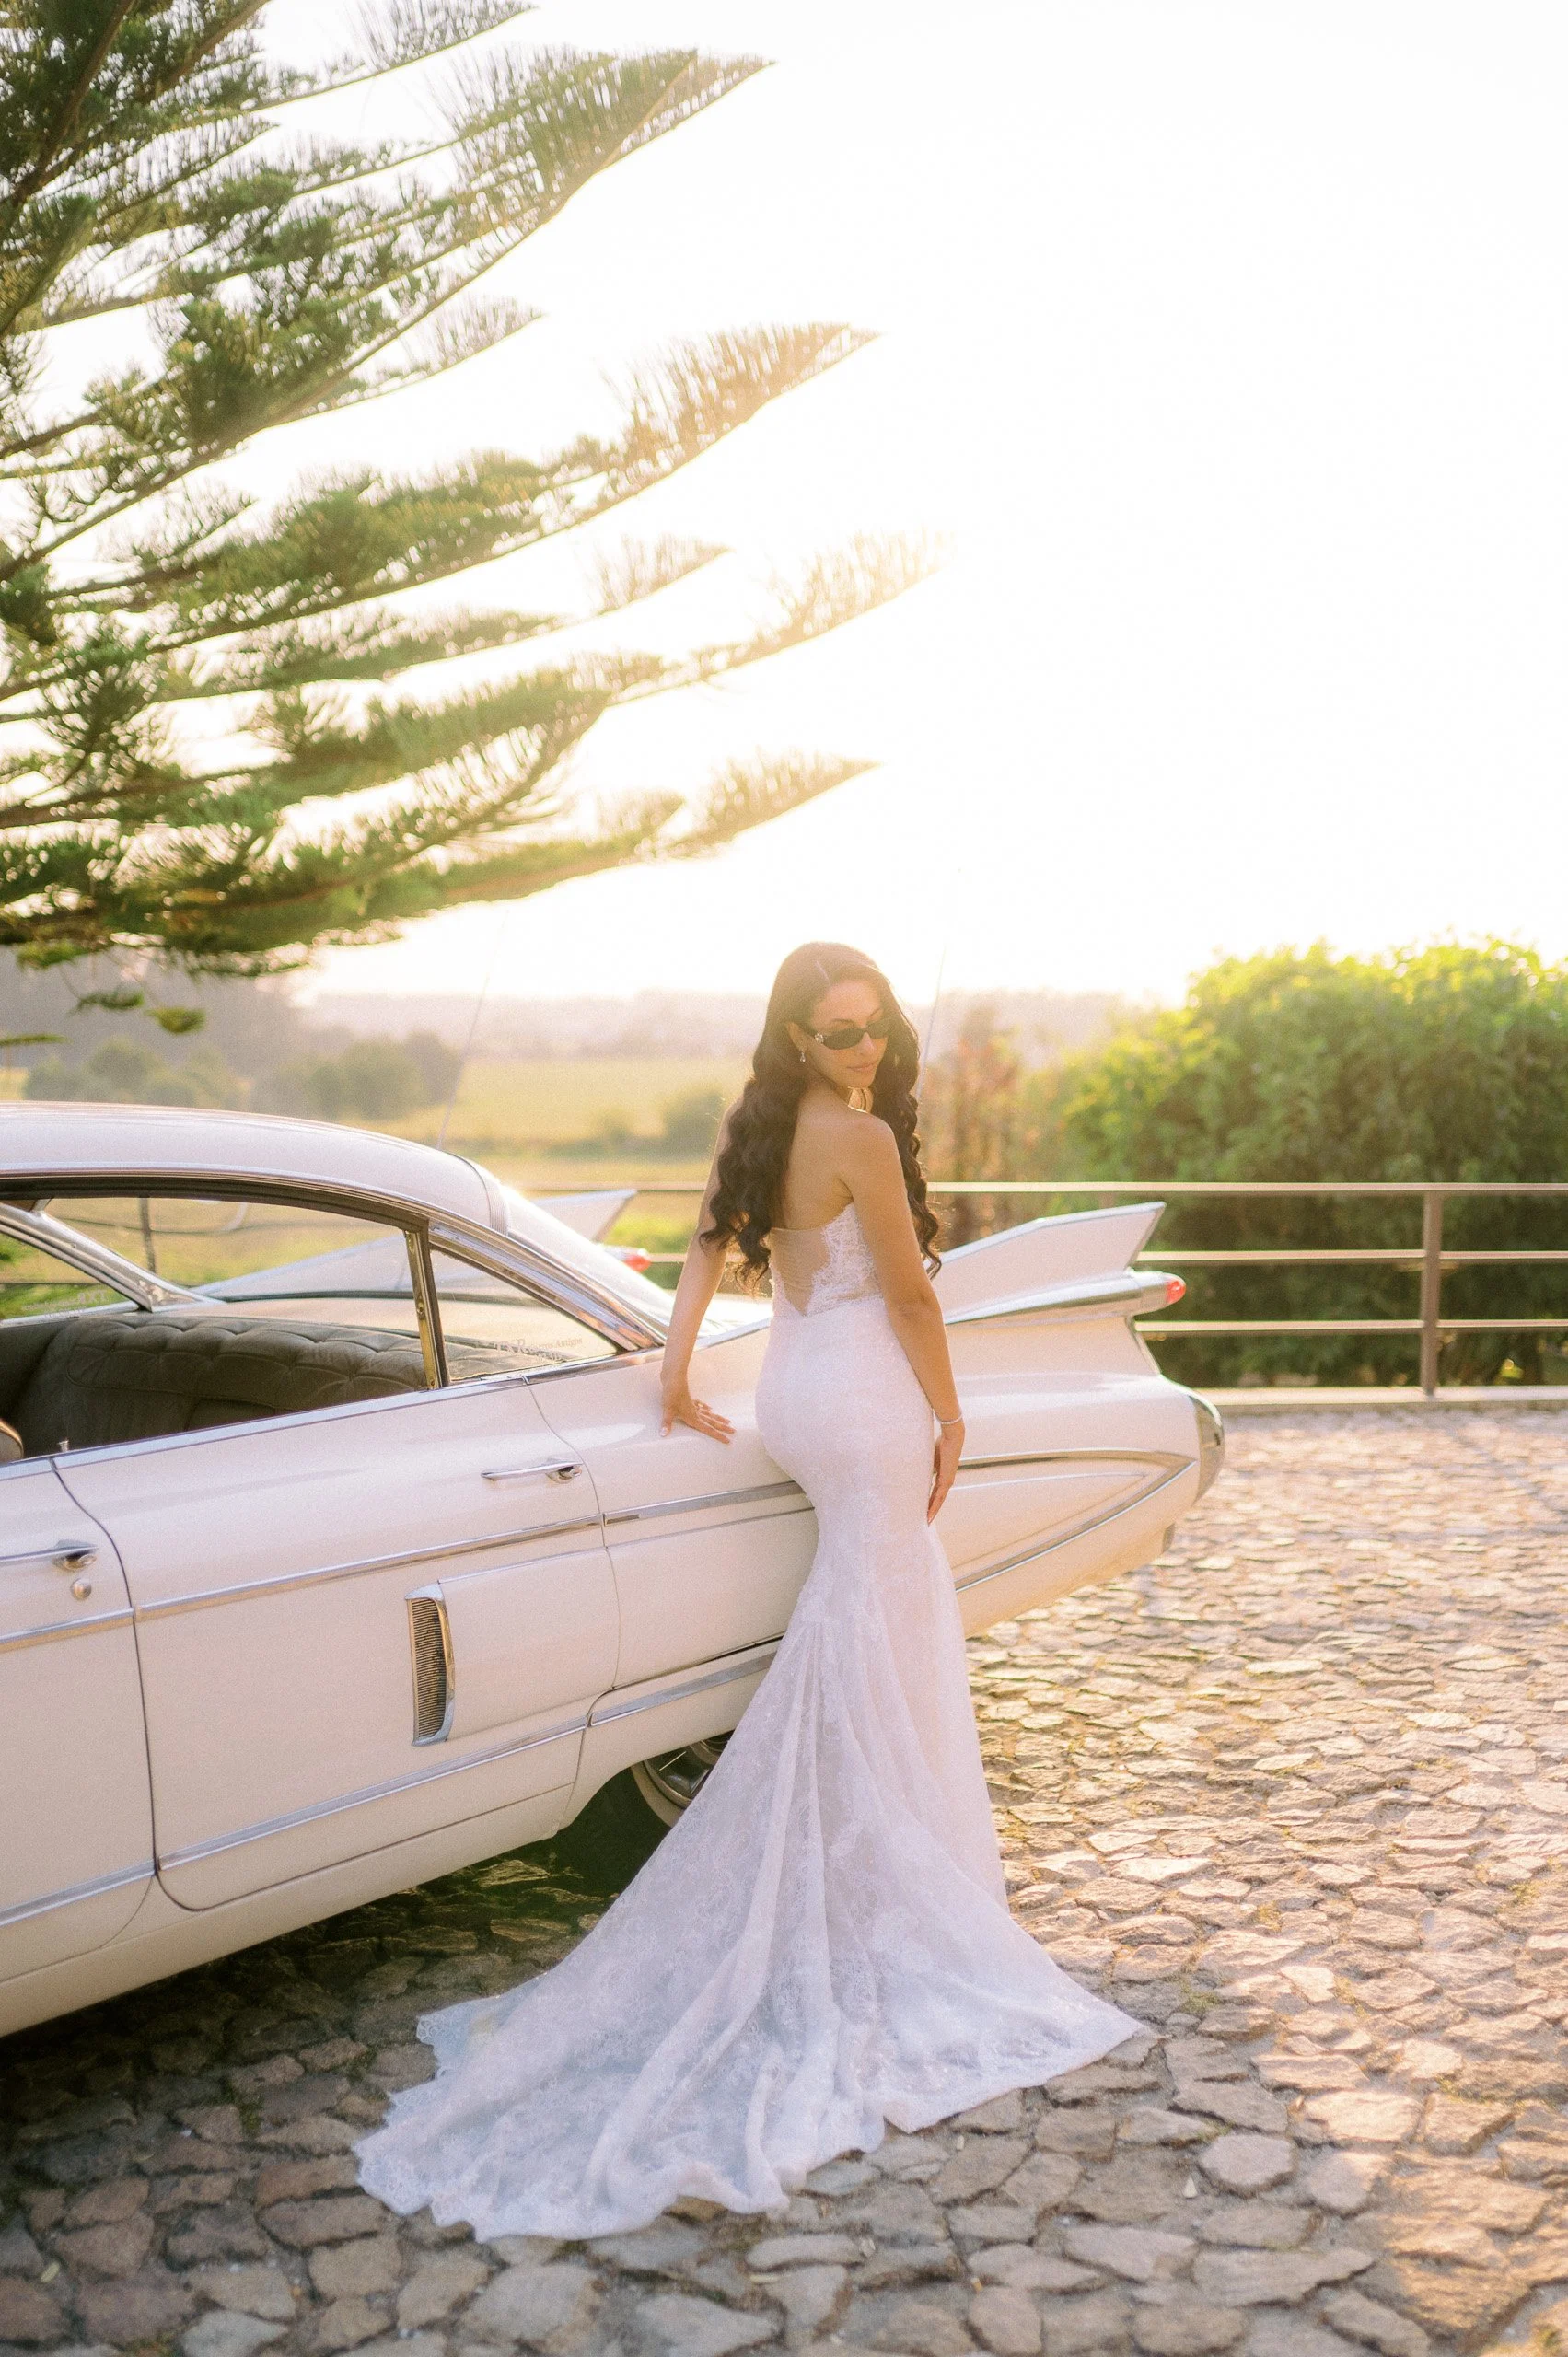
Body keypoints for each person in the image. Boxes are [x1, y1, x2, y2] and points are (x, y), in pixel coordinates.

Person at [355, 942, 1136, 2240]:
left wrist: (676, 1370)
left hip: (794, 1390)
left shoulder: (765, 1123)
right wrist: (950, 1417)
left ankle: (884, 1861)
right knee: (884, 1604)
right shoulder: (862, 1140)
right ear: (794, 1038)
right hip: (865, 1393)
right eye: (837, 1034)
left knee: (869, 1602)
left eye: (873, 1028)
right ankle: (894, 1880)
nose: (865, 1050)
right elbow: (908, 1295)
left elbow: (709, 1240)